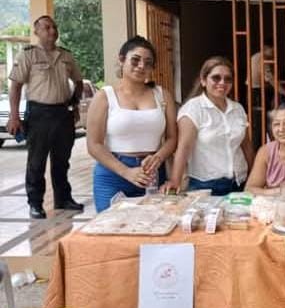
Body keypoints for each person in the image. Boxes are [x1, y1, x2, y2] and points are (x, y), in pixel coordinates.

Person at [86, 36, 178, 213]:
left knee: (152, 224)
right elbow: (94, 145)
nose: (141, 66)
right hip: (113, 173)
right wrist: (126, 172)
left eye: (148, 63)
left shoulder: (162, 95)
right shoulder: (105, 96)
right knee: (112, 226)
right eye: (135, 60)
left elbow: (172, 138)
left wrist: (158, 157)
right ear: (122, 60)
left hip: (151, 173)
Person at [7, 15, 84, 219]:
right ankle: (35, 203)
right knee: (36, 161)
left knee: (62, 160)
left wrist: (74, 103)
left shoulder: (66, 55)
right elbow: (15, 86)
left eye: (54, 27)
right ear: (37, 32)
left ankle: (63, 199)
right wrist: (14, 116)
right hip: (39, 114)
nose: (52, 31)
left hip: (62, 113)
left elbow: (78, 81)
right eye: (47, 27)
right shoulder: (28, 55)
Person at [165, 57, 254, 196]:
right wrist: (175, 181)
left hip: (239, 183)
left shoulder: (238, 109)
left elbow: (246, 145)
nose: (222, 83)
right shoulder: (193, 109)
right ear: (203, 80)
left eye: (228, 79)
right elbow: (183, 148)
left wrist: (254, 177)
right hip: (206, 186)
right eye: (216, 78)